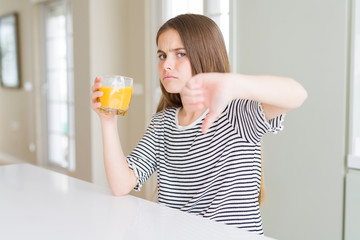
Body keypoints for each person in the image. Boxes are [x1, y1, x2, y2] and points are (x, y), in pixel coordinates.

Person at [91, 14, 307, 235]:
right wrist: (107, 120)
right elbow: (121, 184)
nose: (167, 65)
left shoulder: (234, 112)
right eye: (162, 55)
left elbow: (297, 94)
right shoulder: (162, 123)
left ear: (205, 55)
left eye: (180, 54)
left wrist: (231, 83)